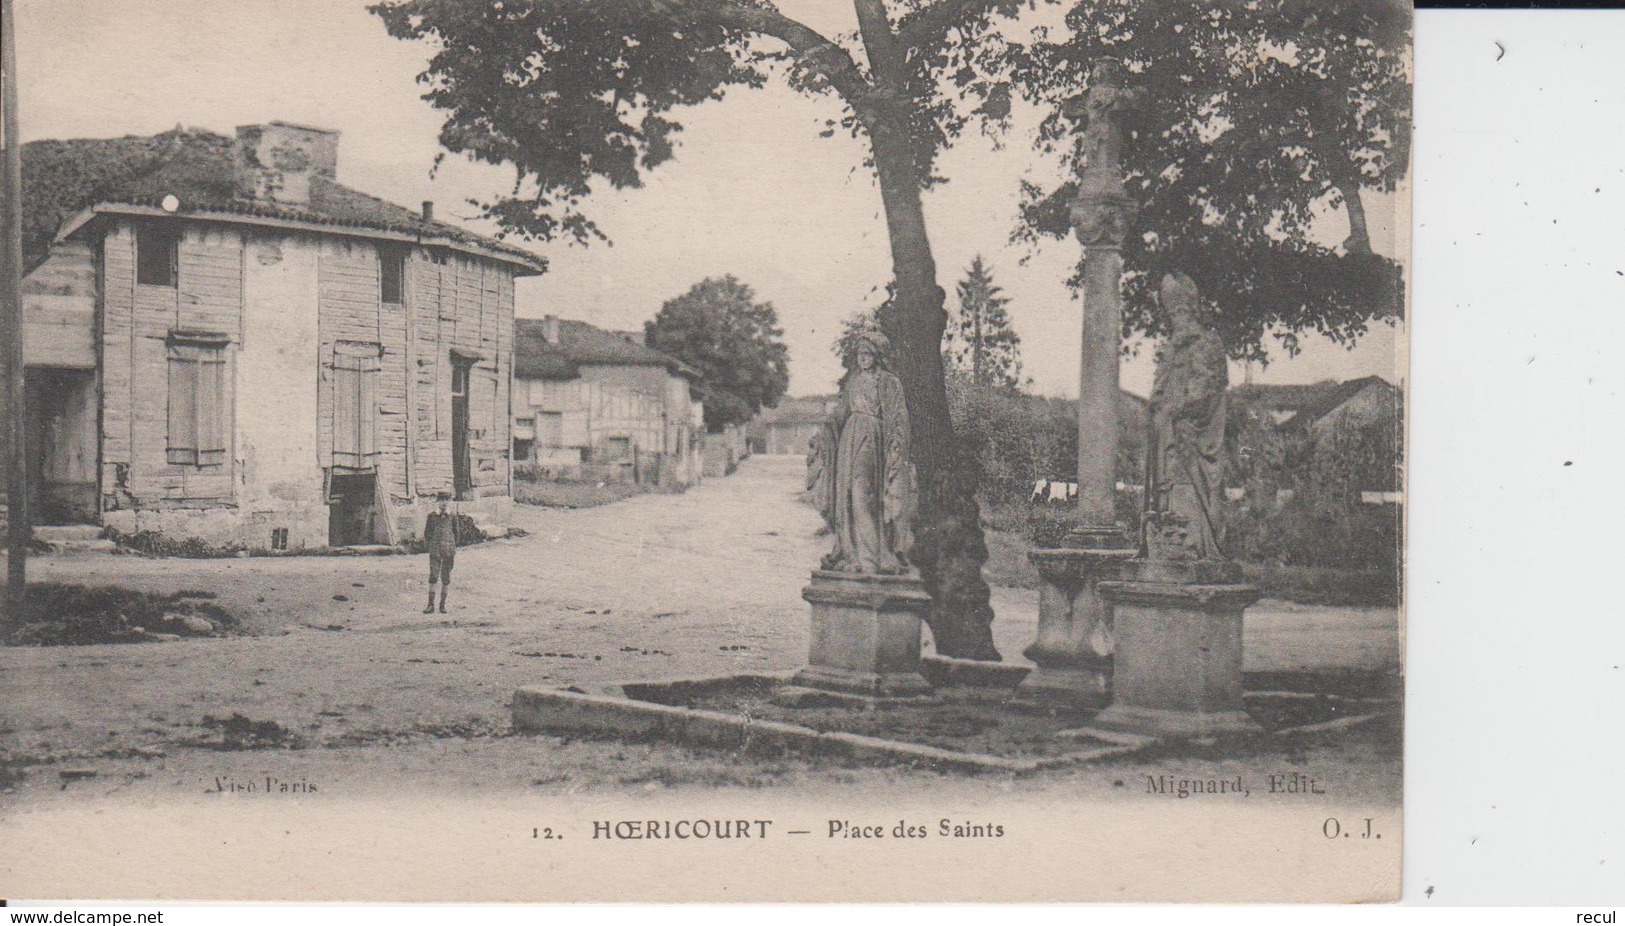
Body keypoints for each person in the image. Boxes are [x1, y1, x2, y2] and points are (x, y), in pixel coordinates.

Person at [808, 330, 915, 574]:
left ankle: (872, 558)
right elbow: (840, 414)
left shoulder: (889, 382)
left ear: (878, 356)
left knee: (863, 495)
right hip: (849, 439)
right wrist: (823, 434)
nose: (863, 358)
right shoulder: (854, 382)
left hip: (872, 441)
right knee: (848, 496)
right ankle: (851, 553)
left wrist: (896, 446)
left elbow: (898, 417)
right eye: (860, 354)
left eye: (868, 354)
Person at [423, 492, 460, 613]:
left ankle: (442, 605)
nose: (444, 503)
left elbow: (457, 534)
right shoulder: (432, 517)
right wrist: (432, 545)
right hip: (435, 551)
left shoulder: (453, 516)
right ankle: (430, 605)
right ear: (438, 502)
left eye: (446, 500)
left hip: (449, 551)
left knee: (446, 577)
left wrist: (451, 544)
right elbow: (427, 534)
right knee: (433, 576)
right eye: (442, 500)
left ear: (450, 501)